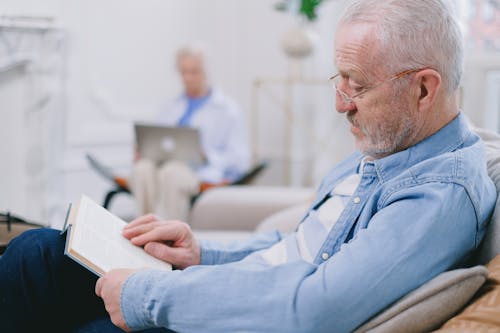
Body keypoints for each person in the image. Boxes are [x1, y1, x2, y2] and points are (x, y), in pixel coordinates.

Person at [0, 1, 497, 332]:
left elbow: (314, 307)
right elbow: (299, 247)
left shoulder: (439, 193)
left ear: (424, 88)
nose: (341, 103)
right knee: (42, 248)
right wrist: (201, 254)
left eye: (357, 85)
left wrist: (149, 294)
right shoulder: (391, 147)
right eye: (338, 79)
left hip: (229, 319)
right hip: (215, 293)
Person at [130, 44, 250, 221]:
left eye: (194, 72)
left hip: (199, 171)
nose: (188, 78)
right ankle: (143, 229)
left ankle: (167, 237)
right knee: (142, 169)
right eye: (183, 72)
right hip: (161, 165)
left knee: (171, 172)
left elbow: (241, 160)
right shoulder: (171, 106)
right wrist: (144, 150)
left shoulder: (228, 110)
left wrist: (206, 154)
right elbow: (159, 139)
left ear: (206, 72)